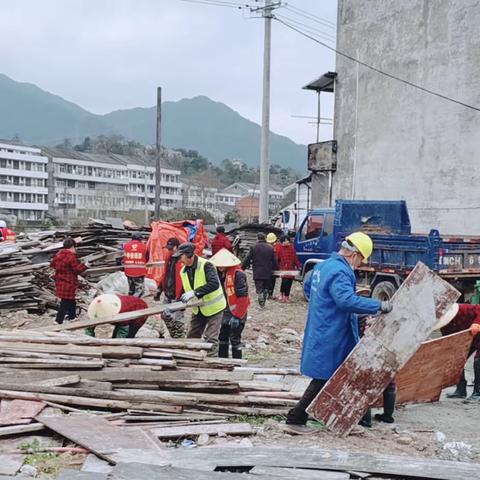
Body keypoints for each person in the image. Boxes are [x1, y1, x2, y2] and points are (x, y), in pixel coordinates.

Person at [284, 232, 393, 435]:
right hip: (331, 332)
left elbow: (308, 289)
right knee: (324, 377)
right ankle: (296, 418)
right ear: (356, 254)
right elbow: (346, 301)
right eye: (361, 260)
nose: (360, 264)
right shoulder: (340, 271)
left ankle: (349, 419)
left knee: (335, 375)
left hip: (322, 325)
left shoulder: (323, 266)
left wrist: (324, 306)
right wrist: (378, 305)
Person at [175, 242, 227, 356]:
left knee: (211, 338)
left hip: (215, 308)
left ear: (189, 255)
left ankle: (212, 364)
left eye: (181, 256)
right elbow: (185, 290)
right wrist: (177, 304)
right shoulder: (183, 270)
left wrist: (195, 292)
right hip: (198, 308)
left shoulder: (206, 265)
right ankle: (191, 359)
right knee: (192, 336)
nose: (180, 260)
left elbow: (214, 284)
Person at [210, 248, 250, 359]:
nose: (219, 266)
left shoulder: (238, 274)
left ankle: (237, 363)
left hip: (237, 311)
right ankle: (223, 361)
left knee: (235, 338)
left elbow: (243, 297)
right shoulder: (221, 274)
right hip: (224, 311)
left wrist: (237, 316)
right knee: (222, 337)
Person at [442, 304, 480, 401]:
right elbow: (450, 339)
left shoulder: (462, 309)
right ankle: (461, 389)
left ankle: (478, 393)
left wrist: (477, 322)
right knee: (456, 360)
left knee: (478, 362)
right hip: (470, 338)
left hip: (477, 333)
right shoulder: (443, 324)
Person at [50, 237, 88, 324]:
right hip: (69, 281)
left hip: (60, 281)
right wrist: (86, 266)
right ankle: (58, 320)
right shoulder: (71, 257)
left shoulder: (58, 254)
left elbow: (52, 265)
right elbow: (77, 270)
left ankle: (72, 317)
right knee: (65, 301)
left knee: (71, 299)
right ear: (72, 247)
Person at [154, 237, 186, 338]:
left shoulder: (183, 259)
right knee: (164, 315)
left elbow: (185, 280)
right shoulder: (169, 258)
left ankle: (179, 338)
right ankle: (173, 334)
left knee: (177, 319)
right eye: (168, 248)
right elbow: (165, 275)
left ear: (177, 247)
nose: (169, 250)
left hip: (178, 294)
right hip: (168, 293)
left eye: (171, 248)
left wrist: (182, 295)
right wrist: (159, 290)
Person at [242, 232, 278, 308]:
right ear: (265, 238)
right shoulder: (270, 248)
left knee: (259, 287)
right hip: (267, 271)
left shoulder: (254, 247)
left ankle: (261, 301)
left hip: (257, 271)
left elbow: (247, 259)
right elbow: (274, 260)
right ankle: (263, 301)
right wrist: (276, 270)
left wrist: (242, 268)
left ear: (257, 238)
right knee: (265, 287)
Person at [275, 234, 301, 303]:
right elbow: (277, 259)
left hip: (291, 268)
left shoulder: (292, 248)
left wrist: (299, 265)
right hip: (283, 267)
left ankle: (287, 296)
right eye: (284, 241)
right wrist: (276, 267)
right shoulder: (279, 248)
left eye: (287, 240)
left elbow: (295, 258)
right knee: (284, 282)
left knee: (289, 282)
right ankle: (281, 294)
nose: (286, 242)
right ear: (282, 242)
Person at [123, 231, 148, 297]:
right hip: (139, 272)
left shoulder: (126, 245)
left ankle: (129, 300)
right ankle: (134, 302)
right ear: (140, 238)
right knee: (140, 291)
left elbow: (124, 257)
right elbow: (147, 258)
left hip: (128, 271)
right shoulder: (144, 246)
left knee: (131, 290)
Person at [266, 233, 278, 299]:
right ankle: (269, 294)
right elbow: (276, 259)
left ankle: (268, 293)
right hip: (272, 266)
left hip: (267, 267)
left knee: (269, 280)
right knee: (271, 281)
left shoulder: (266, 247)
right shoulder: (274, 248)